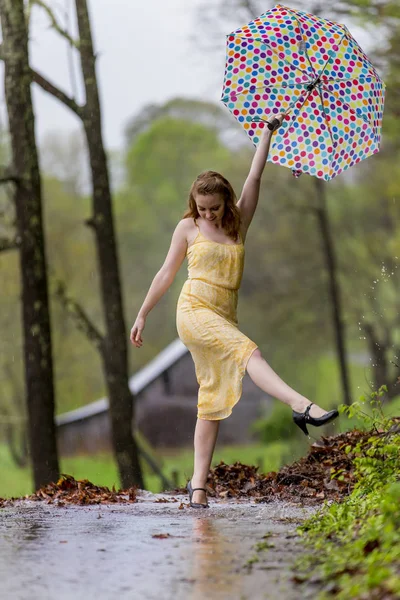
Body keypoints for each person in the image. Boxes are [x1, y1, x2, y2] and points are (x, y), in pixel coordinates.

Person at [130, 113, 338, 508]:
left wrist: (267, 133)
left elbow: (254, 179)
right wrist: (142, 313)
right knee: (250, 353)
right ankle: (301, 405)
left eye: (213, 207)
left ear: (225, 202)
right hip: (193, 310)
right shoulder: (187, 228)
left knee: (210, 403)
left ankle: (198, 489)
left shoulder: (238, 225)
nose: (206, 214)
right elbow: (165, 273)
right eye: (200, 207)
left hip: (224, 316)